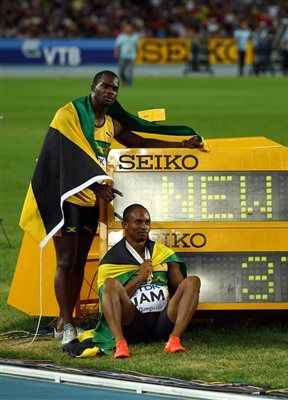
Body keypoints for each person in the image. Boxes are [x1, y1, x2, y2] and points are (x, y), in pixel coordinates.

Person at [19, 70, 205, 349]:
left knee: (80, 262)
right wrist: (96, 187)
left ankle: (65, 319)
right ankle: (67, 325)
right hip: (66, 197)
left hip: (91, 203)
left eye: (115, 89)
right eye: (105, 86)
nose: (110, 92)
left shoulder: (109, 124)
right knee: (66, 261)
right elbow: (64, 156)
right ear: (92, 87)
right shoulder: (68, 115)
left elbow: (139, 142)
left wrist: (180, 145)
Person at [92, 204, 200, 358]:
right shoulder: (111, 261)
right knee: (110, 284)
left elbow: (180, 289)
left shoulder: (163, 254)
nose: (144, 226)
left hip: (164, 319)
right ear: (125, 225)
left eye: (147, 222)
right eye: (138, 222)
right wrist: (140, 277)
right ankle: (121, 343)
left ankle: (174, 339)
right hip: (133, 322)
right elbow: (110, 302)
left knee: (193, 281)